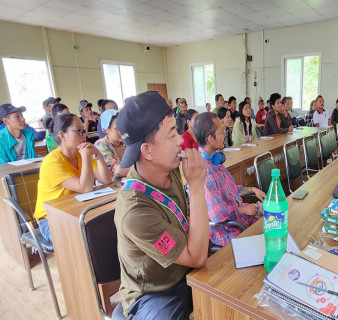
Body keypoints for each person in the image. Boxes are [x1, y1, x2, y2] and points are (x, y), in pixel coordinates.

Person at [114, 91, 208, 319]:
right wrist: (196, 186)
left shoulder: (169, 169)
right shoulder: (135, 212)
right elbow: (196, 257)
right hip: (153, 293)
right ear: (147, 150)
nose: (180, 140)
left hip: (182, 271)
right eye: (171, 134)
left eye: (176, 129)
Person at [34, 113, 111, 242]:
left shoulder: (80, 154)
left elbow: (106, 179)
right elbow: (85, 187)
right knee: (86, 239)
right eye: (78, 131)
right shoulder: (52, 162)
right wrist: (87, 156)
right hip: (50, 219)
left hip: (76, 210)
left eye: (84, 131)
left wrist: (98, 155)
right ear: (62, 135)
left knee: (105, 227)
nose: (84, 135)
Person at [193, 112, 266, 246]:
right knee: (269, 231)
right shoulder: (204, 172)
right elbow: (218, 214)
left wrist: (252, 189)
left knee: (274, 214)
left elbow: (232, 190)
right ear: (210, 139)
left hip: (239, 218)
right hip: (228, 229)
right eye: (221, 131)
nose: (224, 133)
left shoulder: (215, 160)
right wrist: (243, 210)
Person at [95, 109, 128, 178]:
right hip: (110, 186)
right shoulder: (101, 144)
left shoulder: (126, 141)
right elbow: (115, 170)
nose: (122, 131)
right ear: (106, 130)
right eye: (117, 128)